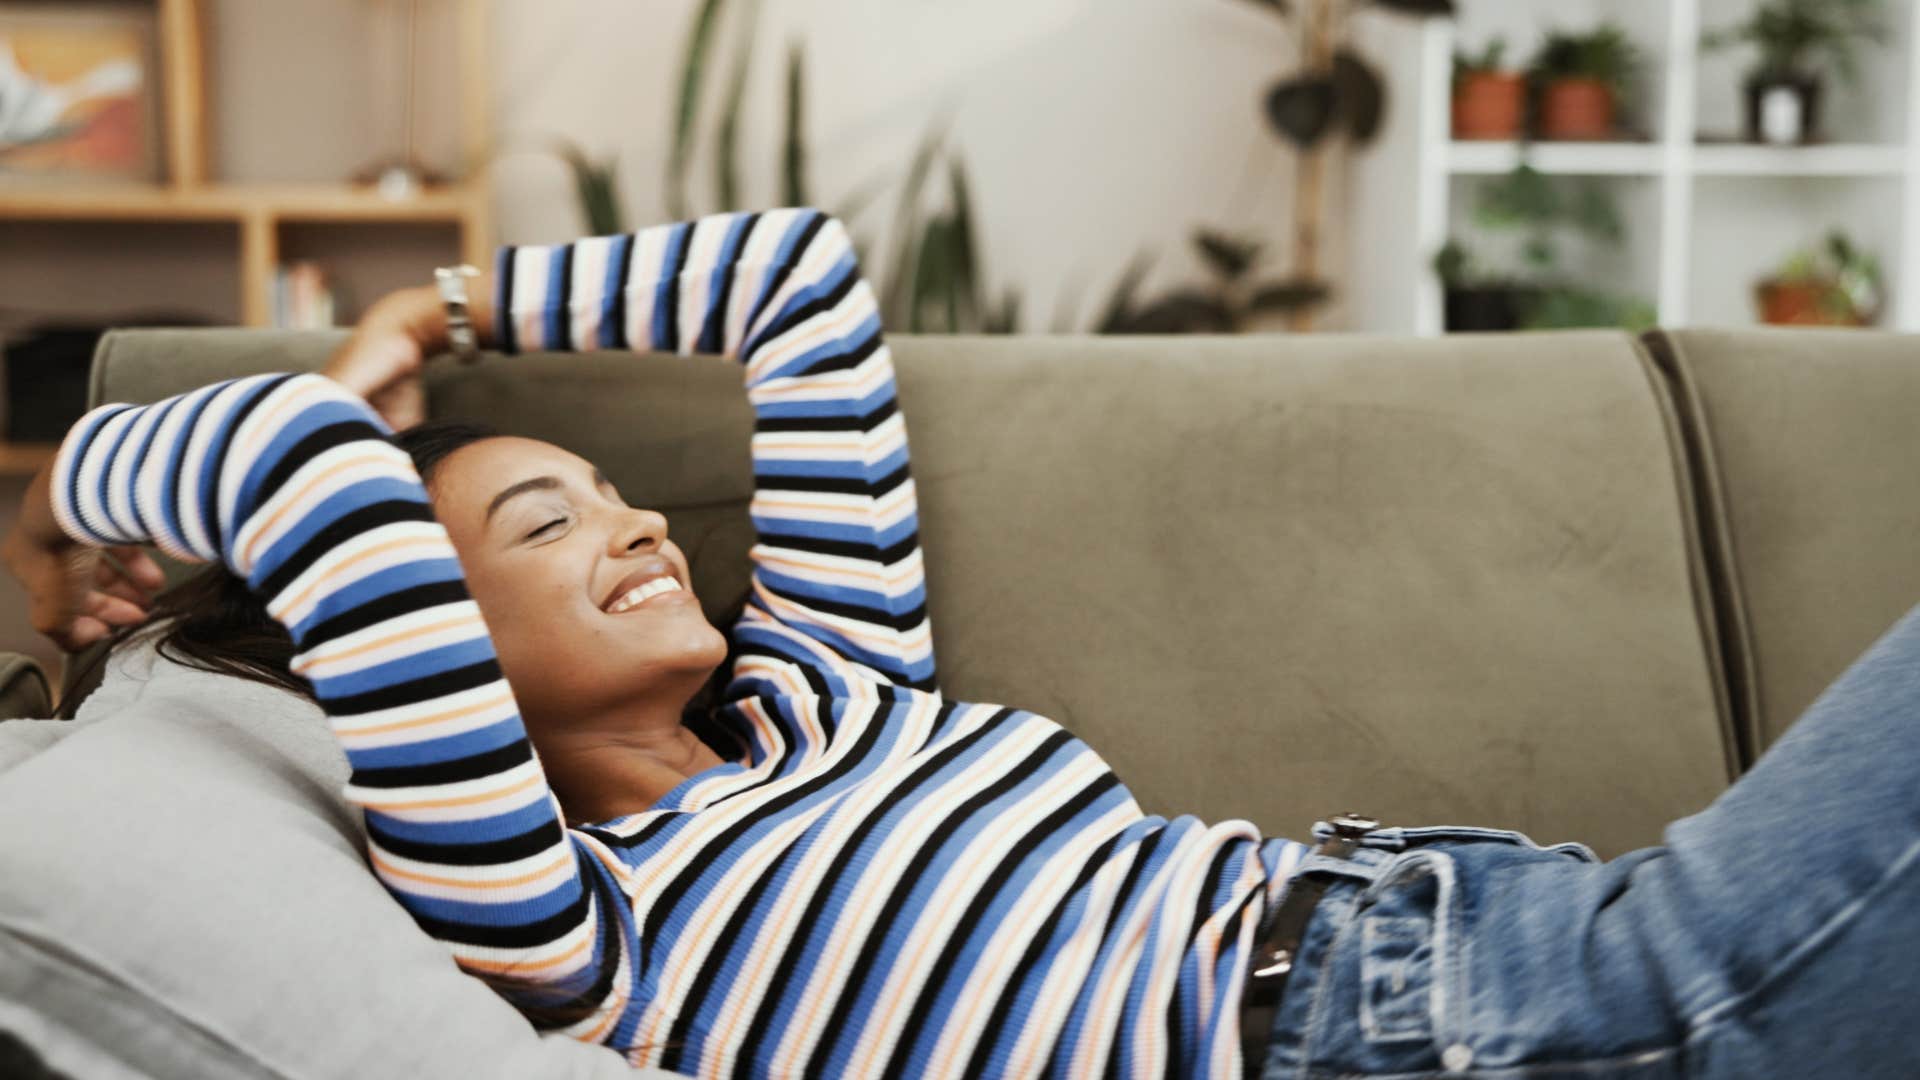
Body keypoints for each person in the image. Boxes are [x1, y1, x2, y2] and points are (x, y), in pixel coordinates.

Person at [4, 208, 1917, 1080]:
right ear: (426, 646)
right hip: (1408, 1033)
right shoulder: (552, 909)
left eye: (612, 488)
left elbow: (797, 285)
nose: (639, 520)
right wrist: (88, 504)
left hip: (1473, 930)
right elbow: (307, 478)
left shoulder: (840, 686)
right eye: (543, 520)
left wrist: (449, 299)